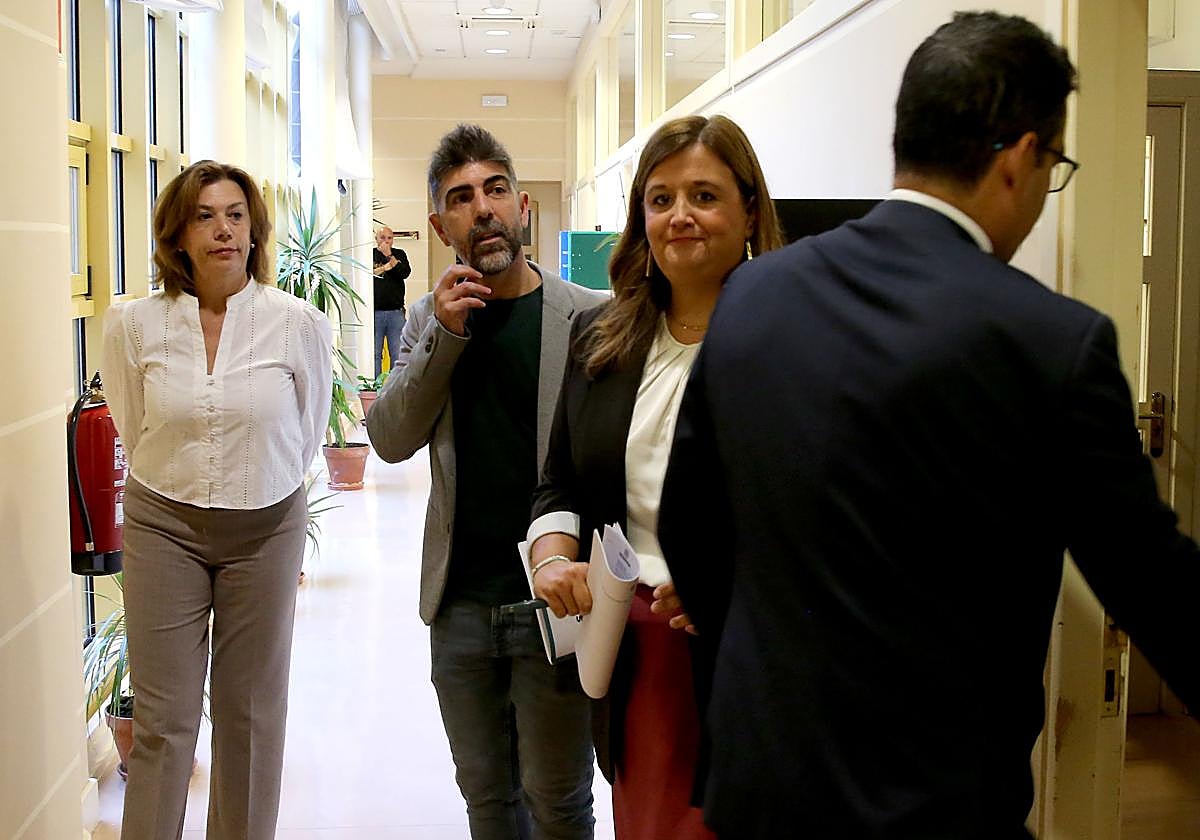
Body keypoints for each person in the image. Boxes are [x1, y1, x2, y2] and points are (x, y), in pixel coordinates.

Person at [659, 12, 1200, 839]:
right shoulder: (1051, 344)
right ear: (1022, 155)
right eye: (1053, 164)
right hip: (936, 808)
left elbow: (689, 526)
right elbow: (1155, 588)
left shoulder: (758, 296)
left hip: (764, 792)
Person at [527, 114, 782, 840]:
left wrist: (734, 584)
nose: (680, 217)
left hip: (747, 652)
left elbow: (819, 509)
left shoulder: (790, 338)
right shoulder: (600, 338)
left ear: (749, 211)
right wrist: (552, 558)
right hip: (637, 649)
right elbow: (559, 483)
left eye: (704, 195)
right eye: (660, 198)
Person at [366, 124, 605, 839]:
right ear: (441, 226)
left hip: (556, 603)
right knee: (488, 806)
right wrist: (443, 332)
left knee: (559, 804)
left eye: (496, 190)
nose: (484, 208)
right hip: (461, 607)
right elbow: (390, 438)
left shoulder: (588, 316)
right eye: (462, 198)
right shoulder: (427, 321)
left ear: (523, 205)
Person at [102, 160, 332, 839]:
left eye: (235, 215)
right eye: (204, 216)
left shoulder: (297, 325)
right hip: (162, 522)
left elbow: (307, 430)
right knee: (165, 720)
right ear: (178, 235)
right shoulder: (135, 324)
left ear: (255, 232)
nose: (223, 230)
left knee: (251, 713)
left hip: (265, 524)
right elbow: (131, 418)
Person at [372, 225, 411, 377]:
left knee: (398, 354)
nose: (386, 241)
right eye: (383, 238)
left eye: (389, 238)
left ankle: (395, 390)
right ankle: (375, 388)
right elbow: (370, 274)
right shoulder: (370, 255)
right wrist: (386, 266)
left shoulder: (399, 254)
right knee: (375, 354)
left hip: (396, 313)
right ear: (376, 239)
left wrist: (390, 256)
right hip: (375, 313)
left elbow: (404, 273)